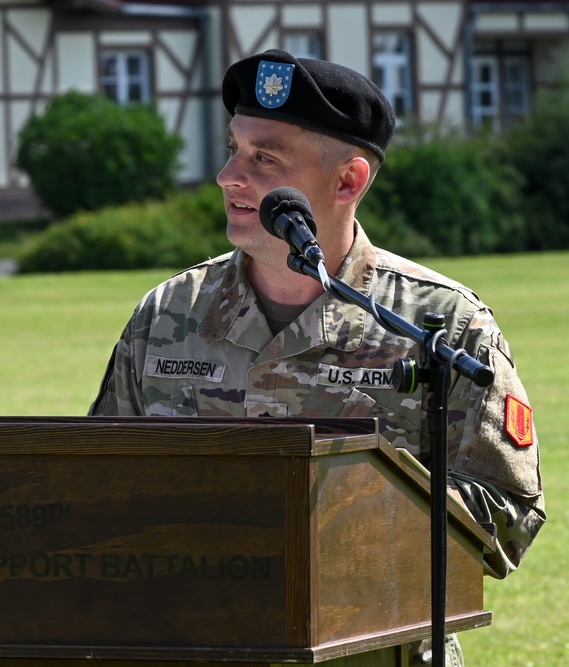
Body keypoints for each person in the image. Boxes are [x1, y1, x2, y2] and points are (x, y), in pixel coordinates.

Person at [90, 49, 545, 666]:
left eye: (265, 158)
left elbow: (506, 515)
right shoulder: (169, 314)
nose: (230, 175)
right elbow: (94, 486)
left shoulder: (441, 326)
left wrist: (337, 530)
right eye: (234, 149)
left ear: (348, 181)